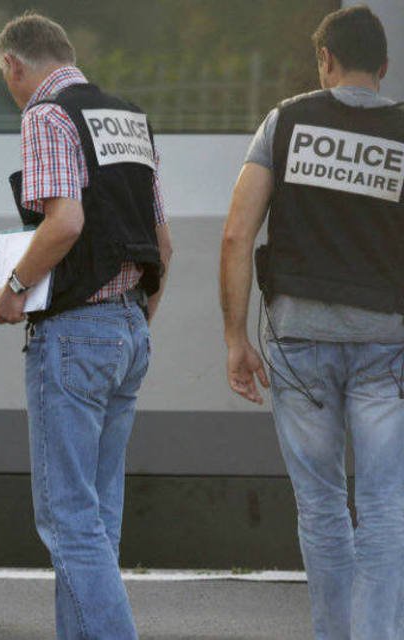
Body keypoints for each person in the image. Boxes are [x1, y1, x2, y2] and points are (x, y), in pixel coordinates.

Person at [220, 6, 404, 639]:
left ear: (325, 60)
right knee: (384, 508)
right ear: (383, 67)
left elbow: (237, 235)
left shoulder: (286, 121)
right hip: (389, 344)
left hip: (298, 344)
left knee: (322, 505)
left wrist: (236, 338)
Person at [0, 13, 172, 639]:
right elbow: (163, 243)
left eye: (5, 78)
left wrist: (14, 290)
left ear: (14, 65)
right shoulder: (128, 117)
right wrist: (133, 320)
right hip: (129, 333)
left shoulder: (47, 115)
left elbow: (64, 222)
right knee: (97, 520)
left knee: (69, 522)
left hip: (75, 334)